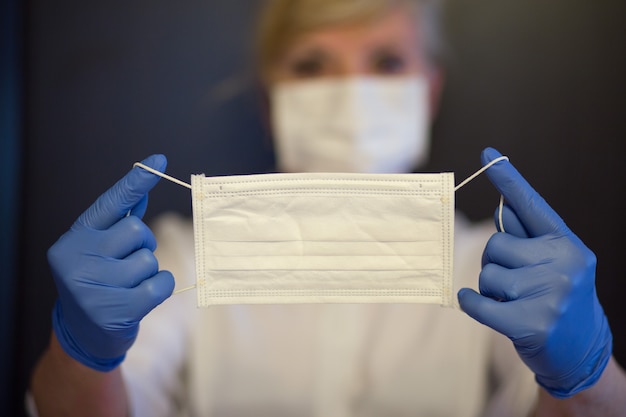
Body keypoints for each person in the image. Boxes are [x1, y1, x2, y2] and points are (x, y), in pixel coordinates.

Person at [29, 0, 626, 416]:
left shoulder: (495, 268)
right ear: (270, 101)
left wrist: (585, 374)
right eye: (311, 65)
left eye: (387, 62)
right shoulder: (178, 259)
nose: (350, 91)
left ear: (430, 89)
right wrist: (83, 355)